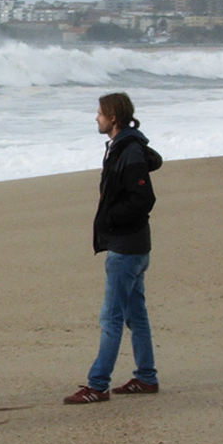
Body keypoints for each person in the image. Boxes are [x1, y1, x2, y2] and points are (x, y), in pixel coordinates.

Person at [65, 93, 161, 405]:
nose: (96, 118)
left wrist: (110, 218)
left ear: (114, 118)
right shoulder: (121, 147)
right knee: (135, 314)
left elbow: (143, 200)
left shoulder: (129, 151)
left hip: (127, 248)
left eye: (100, 113)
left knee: (111, 318)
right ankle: (146, 377)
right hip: (132, 245)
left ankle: (97, 384)